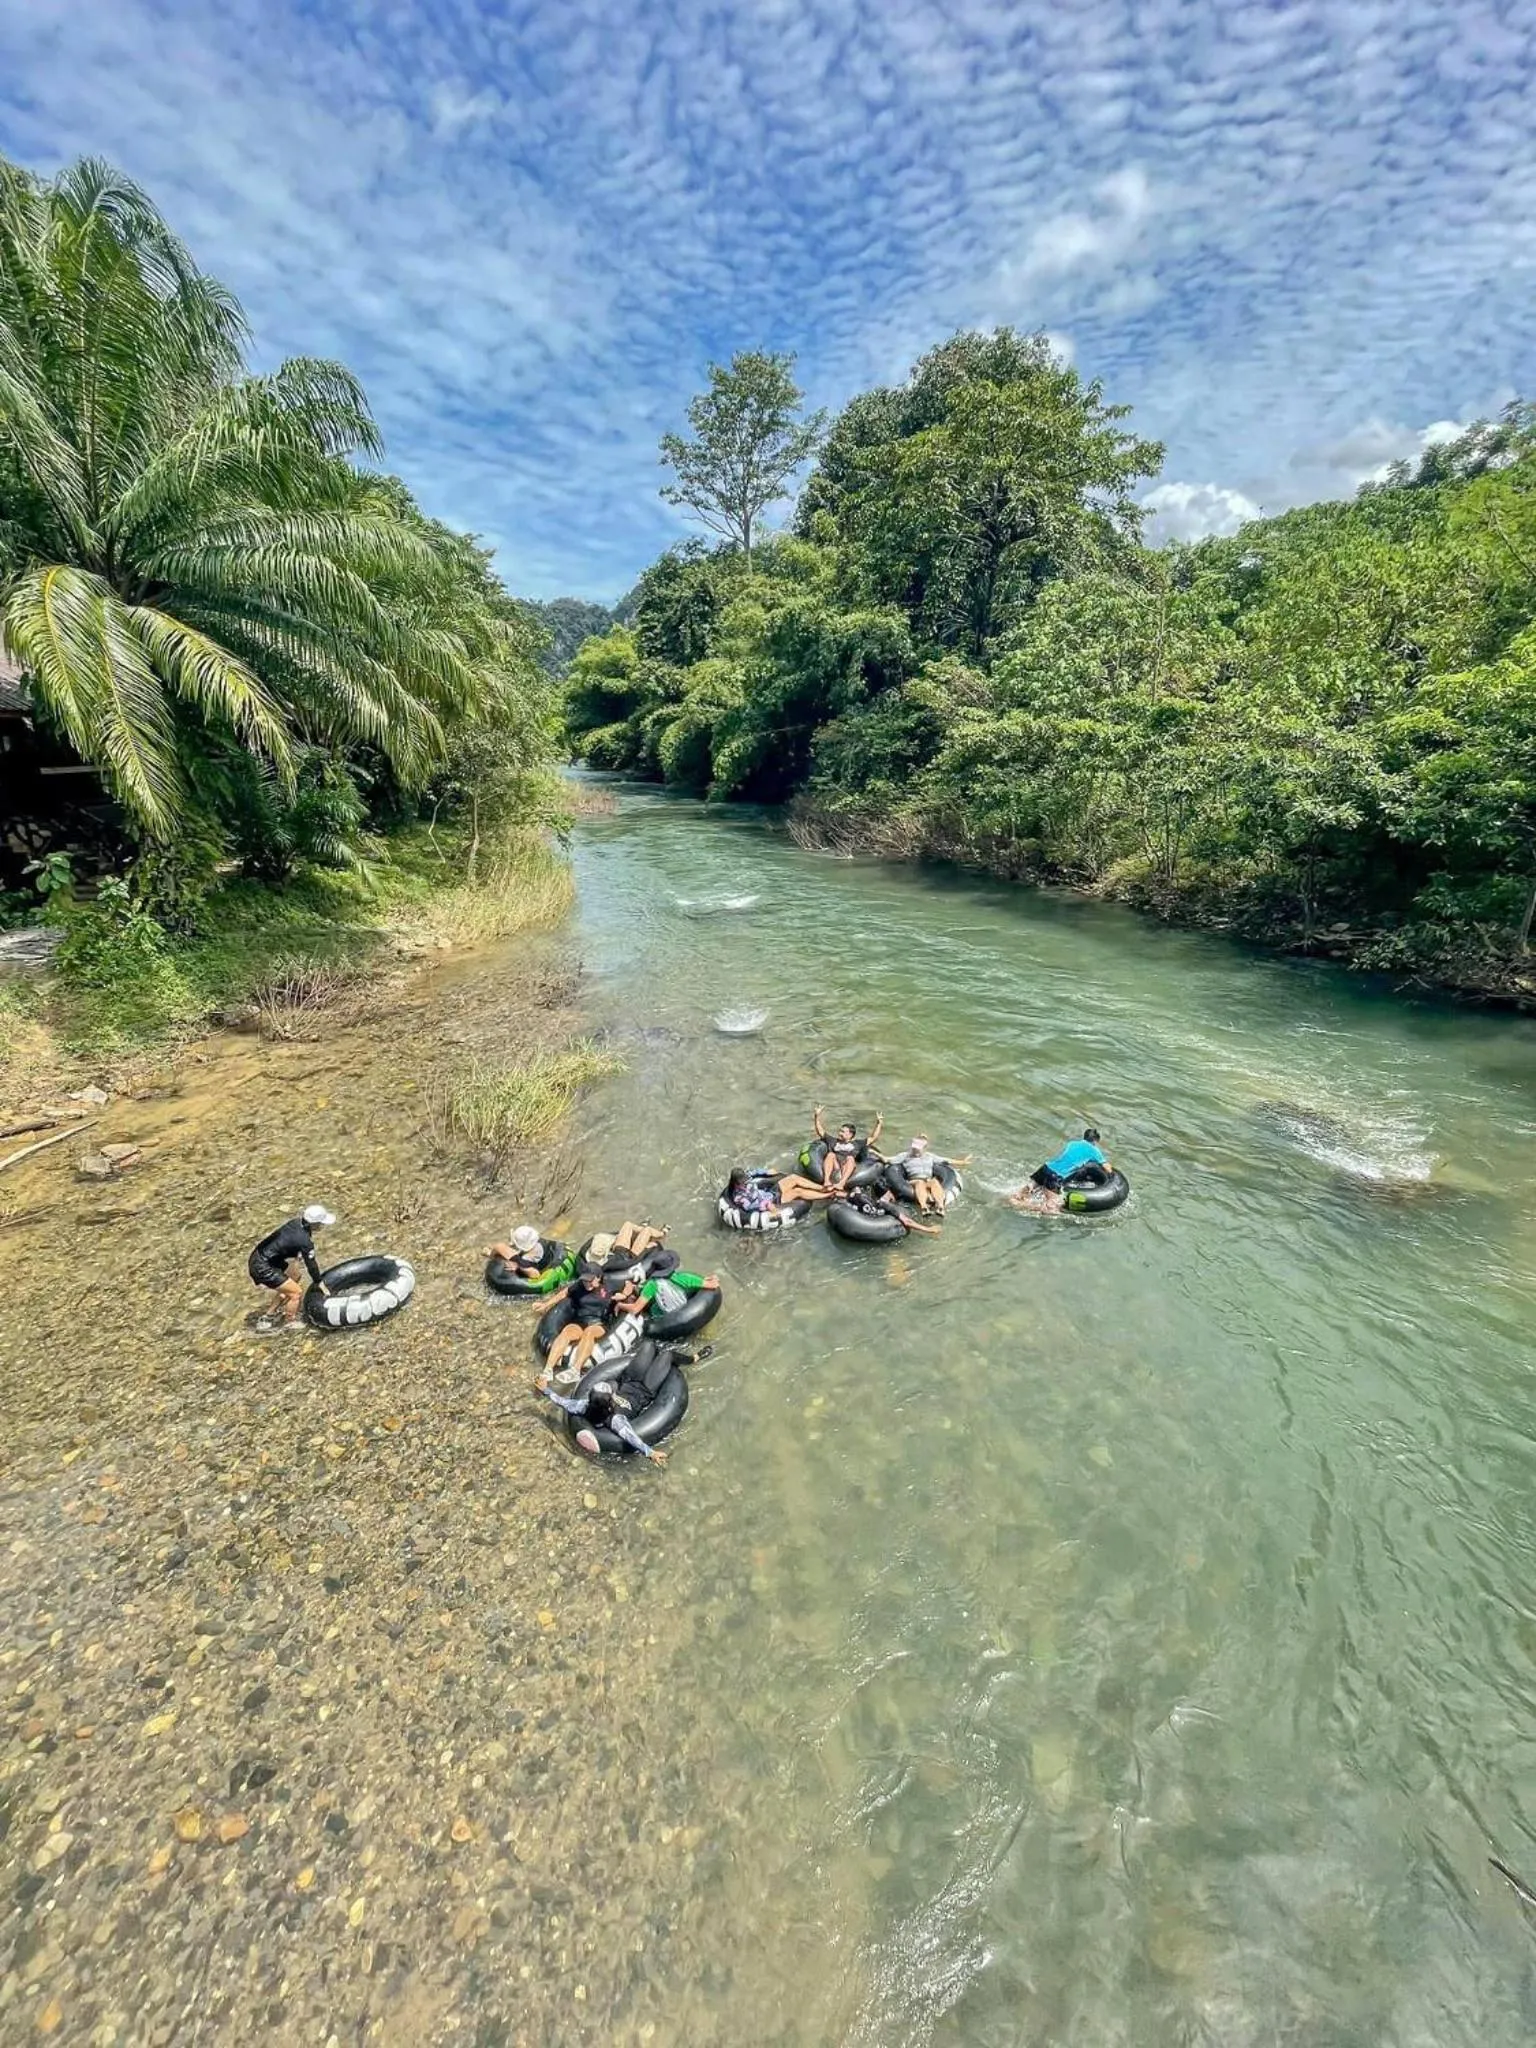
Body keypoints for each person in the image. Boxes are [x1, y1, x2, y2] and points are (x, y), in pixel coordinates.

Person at [534, 1374, 669, 1463]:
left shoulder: (583, 1407)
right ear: (610, 1403)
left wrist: (546, 1390)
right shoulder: (615, 1420)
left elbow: (562, 1402)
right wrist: (650, 1452)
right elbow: (630, 1436)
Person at [542, 1264, 644, 1381]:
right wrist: (545, 1304)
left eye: (590, 1280)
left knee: (589, 1332)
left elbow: (629, 1284)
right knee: (567, 1331)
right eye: (584, 1280)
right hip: (580, 1321)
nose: (587, 1283)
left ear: (598, 1277)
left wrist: (624, 1295)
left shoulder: (610, 1285)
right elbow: (565, 1293)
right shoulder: (579, 1286)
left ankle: (575, 1370)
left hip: (598, 1323)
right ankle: (547, 1370)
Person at [249, 1205, 335, 1324]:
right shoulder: (305, 1241)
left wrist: (296, 1263)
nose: (322, 1225)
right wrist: (320, 1283)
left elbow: (289, 1246)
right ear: (314, 1224)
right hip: (263, 1267)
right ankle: (290, 1323)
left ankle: (270, 1314)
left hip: (258, 1257)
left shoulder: (295, 1223)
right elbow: (311, 1265)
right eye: (321, 1223)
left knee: (295, 1277)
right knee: (296, 1293)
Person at [1009, 1127, 1112, 1214]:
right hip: (1055, 1176)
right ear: (1095, 1141)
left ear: (1084, 1137)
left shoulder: (1072, 1143)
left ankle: (1016, 1197)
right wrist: (1109, 1171)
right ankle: (1021, 1205)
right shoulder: (1094, 1150)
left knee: (1030, 1188)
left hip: (1045, 1168)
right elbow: (1107, 1168)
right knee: (1052, 1209)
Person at [889, 1132, 973, 1213]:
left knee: (934, 1182)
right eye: (914, 1148)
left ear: (924, 1148)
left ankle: (940, 1207)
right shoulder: (905, 1156)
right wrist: (880, 1155)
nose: (915, 1150)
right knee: (920, 1183)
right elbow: (888, 1160)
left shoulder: (930, 1156)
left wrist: (962, 1162)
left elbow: (946, 1160)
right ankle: (924, 1207)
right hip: (914, 1180)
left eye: (918, 1149)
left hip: (928, 1180)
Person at [723, 1164, 833, 1221]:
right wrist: (766, 1205)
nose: (745, 1183)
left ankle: (823, 1188)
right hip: (771, 1201)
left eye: (745, 1181)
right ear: (736, 1183)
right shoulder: (739, 1197)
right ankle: (827, 1195)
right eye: (743, 1183)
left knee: (793, 1178)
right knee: (797, 1191)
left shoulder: (746, 1177)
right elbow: (749, 1208)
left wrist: (767, 1172)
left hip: (769, 1193)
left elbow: (754, 1172)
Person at [812, 1105, 884, 1190]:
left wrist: (879, 1123)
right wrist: (816, 1116)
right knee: (831, 1155)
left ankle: (841, 1183)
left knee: (850, 1158)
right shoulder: (833, 1141)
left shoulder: (857, 1143)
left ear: (850, 1134)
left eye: (842, 1132)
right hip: (836, 1166)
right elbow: (820, 1131)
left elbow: (873, 1138)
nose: (839, 1133)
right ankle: (826, 1181)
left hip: (847, 1166)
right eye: (840, 1131)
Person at [842, 1183, 942, 1237]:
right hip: (882, 1224)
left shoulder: (853, 1201)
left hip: (863, 1224)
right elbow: (907, 1222)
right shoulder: (884, 1205)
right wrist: (928, 1229)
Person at [486, 1223, 561, 1278]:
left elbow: (536, 1274)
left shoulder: (524, 1261)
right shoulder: (541, 1243)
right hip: (547, 1260)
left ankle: (489, 1254)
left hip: (530, 1265)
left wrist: (519, 1267)